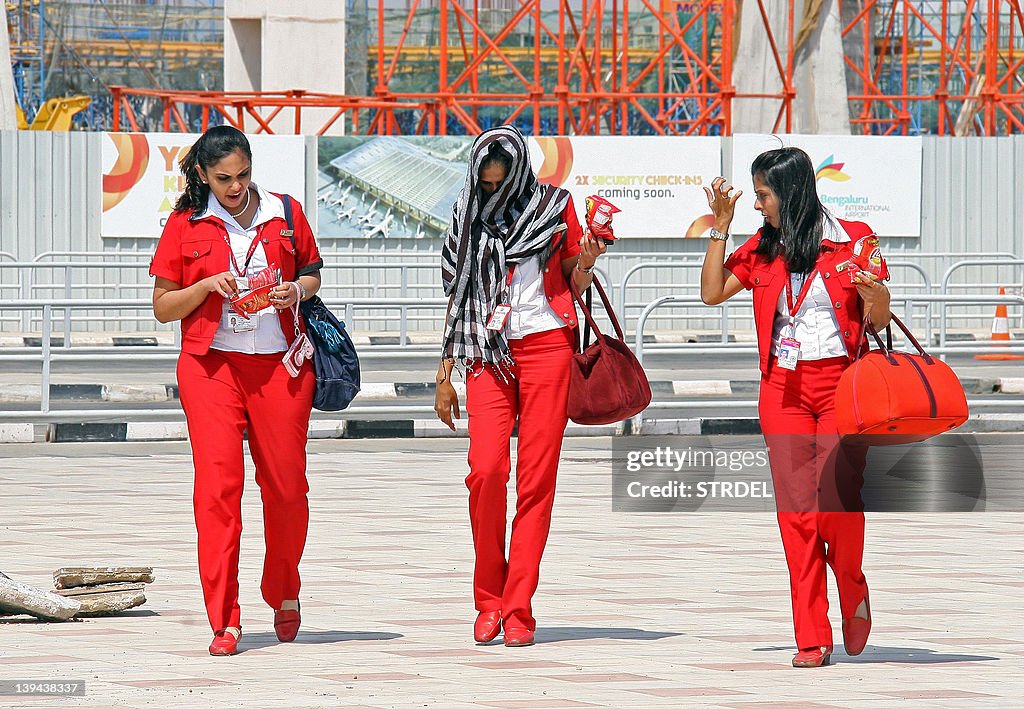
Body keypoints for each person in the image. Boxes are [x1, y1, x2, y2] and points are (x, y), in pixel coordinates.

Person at [699, 147, 891, 668]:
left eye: (763, 194)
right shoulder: (762, 249)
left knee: (838, 507)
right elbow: (712, 292)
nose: (757, 204)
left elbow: (877, 322)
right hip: (781, 390)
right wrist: (721, 226)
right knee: (796, 516)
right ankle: (811, 634)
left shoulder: (853, 239)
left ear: (791, 192)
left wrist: (877, 299)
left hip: (841, 388)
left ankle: (852, 585)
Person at [149, 125, 323, 656]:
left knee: (288, 489)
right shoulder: (185, 224)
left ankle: (284, 591)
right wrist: (203, 287)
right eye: (223, 178)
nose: (235, 186)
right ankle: (224, 618)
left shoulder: (285, 213)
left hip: (280, 368)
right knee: (218, 492)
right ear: (202, 174)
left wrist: (295, 289)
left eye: (243, 175)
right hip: (211, 369)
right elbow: (162, 307)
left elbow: (313, 274)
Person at [434, 125, 606, 647]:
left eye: (500, 181)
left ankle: (518, 607)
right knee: (485, 472)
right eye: (485, 182)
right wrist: (444, 373)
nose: (493, 191)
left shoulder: (555, 206)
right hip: (487, 351)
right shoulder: (466, 214)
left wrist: (588, 258)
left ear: (519, 173)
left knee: (536, 481)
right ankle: (487, 597)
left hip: (547, 346)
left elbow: (574, 283)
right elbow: (457, 295)